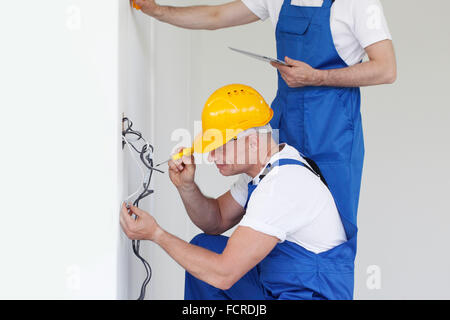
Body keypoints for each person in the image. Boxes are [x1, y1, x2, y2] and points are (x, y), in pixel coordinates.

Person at [131, 0, 397, 264]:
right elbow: (215, 15)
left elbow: (386, 68)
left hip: (333, 133)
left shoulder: (357, 4)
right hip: (287, 119)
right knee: (269, 210)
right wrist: (157, 11)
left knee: (327, 233)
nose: (213, 155)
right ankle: (277, 282)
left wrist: (318, 77)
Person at [120, 84, 358, 299]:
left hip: (308, 295)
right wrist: (187, 186)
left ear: (252, 142)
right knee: (205, 246)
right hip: (279, 285)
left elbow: (224, 274)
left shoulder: (282, 185)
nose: (211, 156)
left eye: (219, 147)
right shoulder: (264, 170)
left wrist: (156, 234)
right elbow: (216, 221)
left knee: (216, 269)